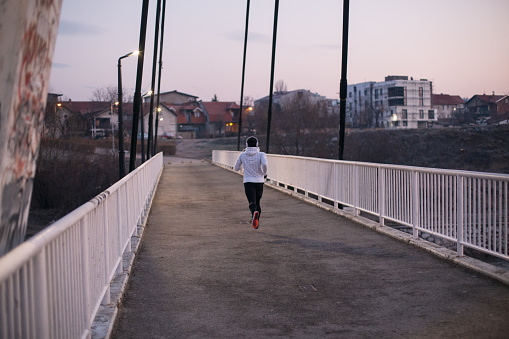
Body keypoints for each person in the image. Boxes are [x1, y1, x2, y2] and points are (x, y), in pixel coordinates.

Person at [234, 136, 268, 229]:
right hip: (259, 181)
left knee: (252, 202)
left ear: (246, 145)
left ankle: (254, 214)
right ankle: (256, 221)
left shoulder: (242, 155)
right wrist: (264, 173)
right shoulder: (261, 154)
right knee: (258, 202)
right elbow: (264, 164)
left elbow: (236, 168)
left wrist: (242, 169)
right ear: (257, 144)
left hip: (248, 181)